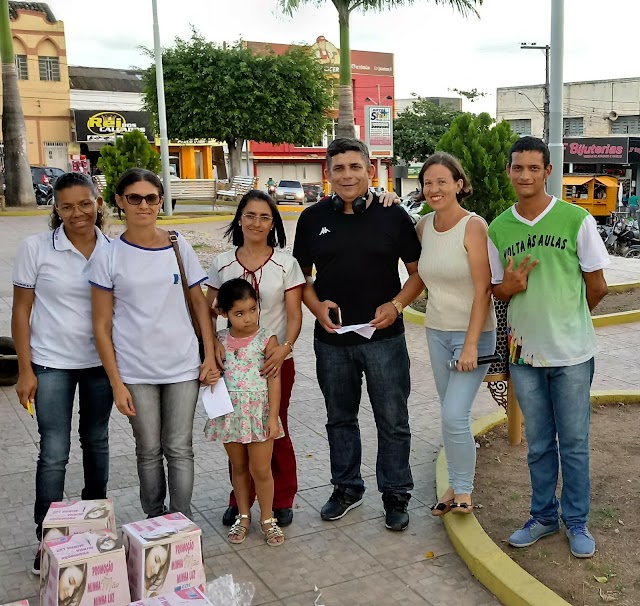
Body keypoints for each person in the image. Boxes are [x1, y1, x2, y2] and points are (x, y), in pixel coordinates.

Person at [293, 138, 424, 531]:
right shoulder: (311, 218)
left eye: (355, 167)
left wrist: (397, 305)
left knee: (393, 420)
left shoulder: (393, 216)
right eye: (339, 168)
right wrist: (316, 307)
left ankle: (396, 493)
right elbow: (300, 278)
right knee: (339, 419)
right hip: (331, 341)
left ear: (370, 171)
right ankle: (346, 488)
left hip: (385, 339)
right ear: (328, 174)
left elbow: (418, 275)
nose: (347, 175)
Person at [488, 136, 609, 558]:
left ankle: (576, 521)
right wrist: (510, 286)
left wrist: (568, 317)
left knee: (574, 442)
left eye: (533, 168)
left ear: (547, 172)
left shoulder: (576, 220)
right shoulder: (498, 227)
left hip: (573, 355)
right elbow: (495, 290)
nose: (524, 175)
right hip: (525, 358)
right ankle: (542, 516)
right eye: (517, 167)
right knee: (539, 443)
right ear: (509, 171)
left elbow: (597, 286)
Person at [90, 168, 220, 520]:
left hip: (183, 366)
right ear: (120, 202)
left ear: (161, 201)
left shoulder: (179, 245)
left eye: (151, 198)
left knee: (179, 448)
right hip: (135, 371)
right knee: (148, 449)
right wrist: (117, 383)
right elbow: (101, 326)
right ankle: (154, 522)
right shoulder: (108, 255)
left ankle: (180, 524)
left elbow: (199, 305)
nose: (143, 205)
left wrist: (209, 355)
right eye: (134, 198)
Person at [11, 172, 113, 576]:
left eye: (84, 203)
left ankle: (93, 527)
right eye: (67, 206)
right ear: (55, 209)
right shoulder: (35, 248)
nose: (77, 213)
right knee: (54, 453)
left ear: (98, 203)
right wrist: (24, 369)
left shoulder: (113, 248)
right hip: (50, 364)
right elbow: (21, 311)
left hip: (101, 365)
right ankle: (48, 539)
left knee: (97, 442)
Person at [205, 190, 304, 528]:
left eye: (264, 217)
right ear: (239, 219)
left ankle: (281, 498)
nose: (257, 222)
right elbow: (208, 312)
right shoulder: (221, 263)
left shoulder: (286, 264)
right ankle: (241, 501)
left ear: (273, 223)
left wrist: (285, 348)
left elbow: (294, 315)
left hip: (272, 362)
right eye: (250, 215)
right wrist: (210, 347)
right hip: (231, 365)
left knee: (274, 428)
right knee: (237, 434)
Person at [414, 153, 497, 516]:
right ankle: (455, 484)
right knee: (452, 415)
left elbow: (484, 290)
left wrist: (469, 345)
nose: (434, 189)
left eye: (442, 181)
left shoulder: (473, 226)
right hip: (436, 331)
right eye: (428, 182)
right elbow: (418, 276)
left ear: (459, 185)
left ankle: (463, 490)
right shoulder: (423, 227)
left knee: (453, 414)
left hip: (474, 336)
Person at [205, 279, 286, 547]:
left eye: (253, 310)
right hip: (230, 414)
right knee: (238, 468)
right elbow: (207, 373)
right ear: (224, 313)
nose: (248, 318)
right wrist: (207, 376)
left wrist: (273, 417)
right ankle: (243, 516)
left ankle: (267, 519)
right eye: (239, 313)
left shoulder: (267, 339)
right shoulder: (218, 341)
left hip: (260, 414)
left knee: (261, 469)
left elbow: (274, 379)